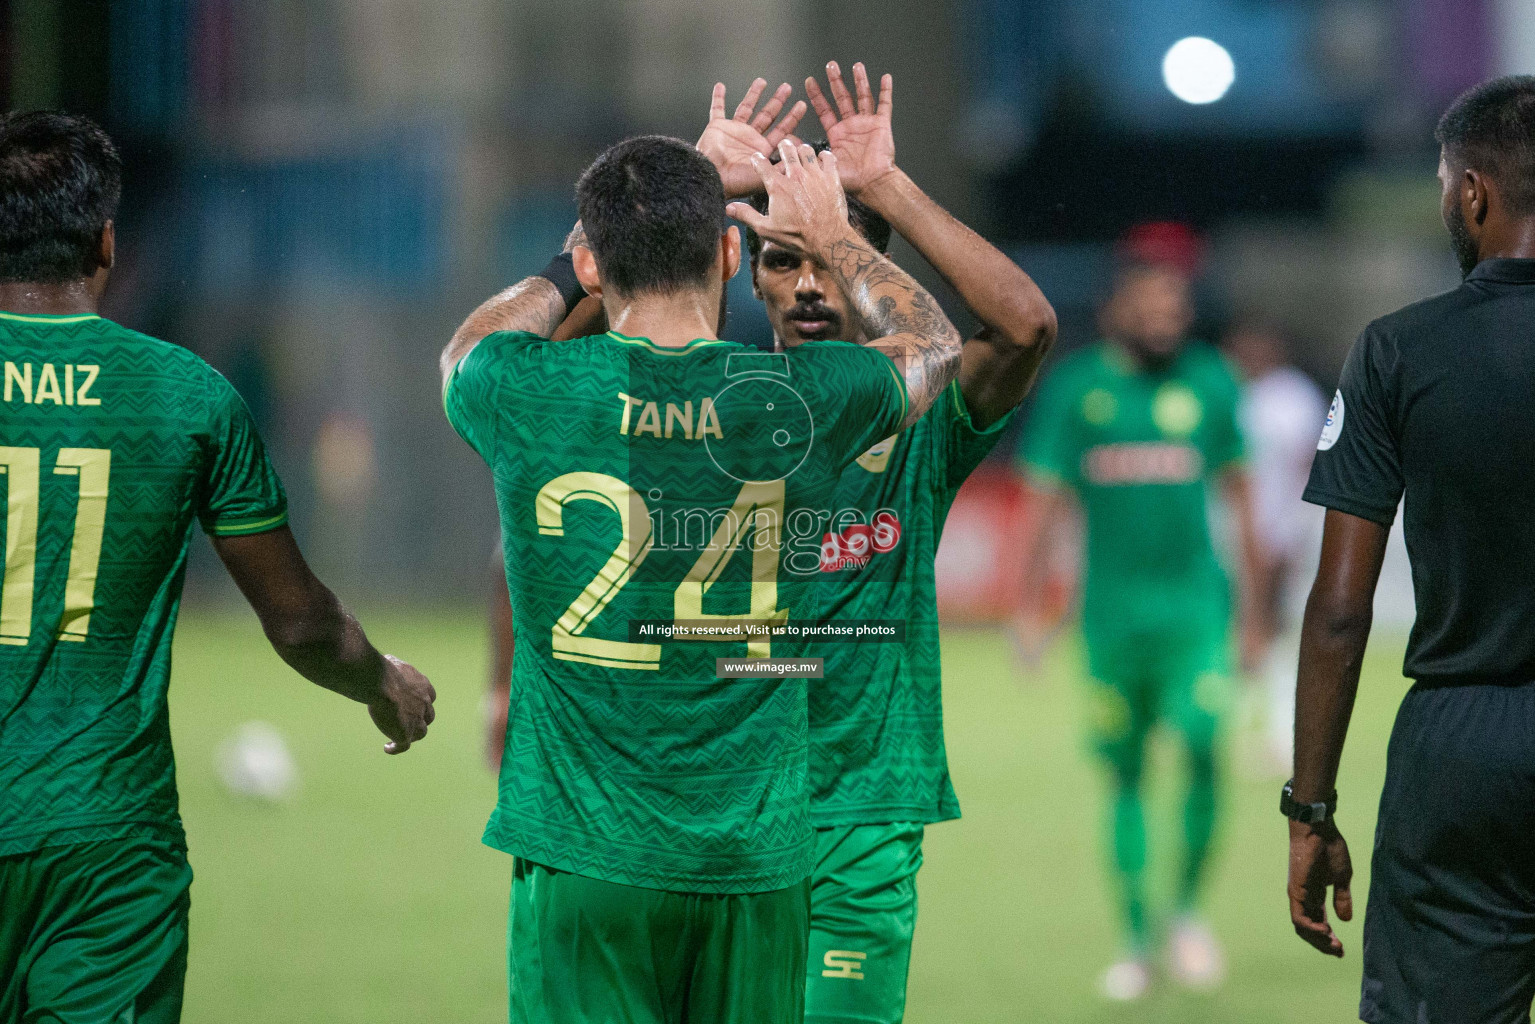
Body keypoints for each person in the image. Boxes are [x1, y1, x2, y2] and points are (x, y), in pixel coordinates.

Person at [441, 131, 961, 1024]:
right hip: (752, 862)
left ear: (592, 263)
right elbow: (935, 345)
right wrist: (836, 235)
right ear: (731, 252)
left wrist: (598, 243)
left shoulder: (521, 389)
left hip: (583, 849)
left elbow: (469, 343)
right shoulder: (802, 399)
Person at [0, 111, 436, 1024]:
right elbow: (300, 623)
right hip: (104, 849)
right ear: (107, 242)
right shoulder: (186, 395)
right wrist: (380, 681)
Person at [727, 62, 1055, 1023]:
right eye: (781, 261)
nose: (808, 283)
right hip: (714, 805)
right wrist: (700, 182)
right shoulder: (699, 407)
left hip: (863, 807)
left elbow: (1025, 325)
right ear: (748, 277)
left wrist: (877, 196)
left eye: (829, 259)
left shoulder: (921, 425)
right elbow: (550, 339)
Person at [1287, 75, 1535, 1024]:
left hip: (1461, 743)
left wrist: (1309, 810)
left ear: (1471, 192)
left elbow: (1341, 609)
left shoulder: (1397, 350)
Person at [1016, 241, 1262, 1000]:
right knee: (1121, 776)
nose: (1166, 320)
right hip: (1110, 625)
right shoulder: (1077, 391)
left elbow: (1242, 504)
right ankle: (1134, 939)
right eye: (1151, 307)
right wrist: (1030, 607)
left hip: (1194, 616)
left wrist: (1255, 616)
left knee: (1199, 744)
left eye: (1176, 309)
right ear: (1117, 309)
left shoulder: (1211, 383)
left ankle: (1184, 915)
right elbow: (1043, 508)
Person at [1223, 319, 1327, 774]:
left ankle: (1281, 729)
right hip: (1232, 532)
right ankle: (1237, 724)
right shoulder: (1232, 393)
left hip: (1279, 529)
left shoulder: (1294, 396)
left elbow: (1309, 463)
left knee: (1273, 627)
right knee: (1238, 627)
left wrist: (1295, 528)